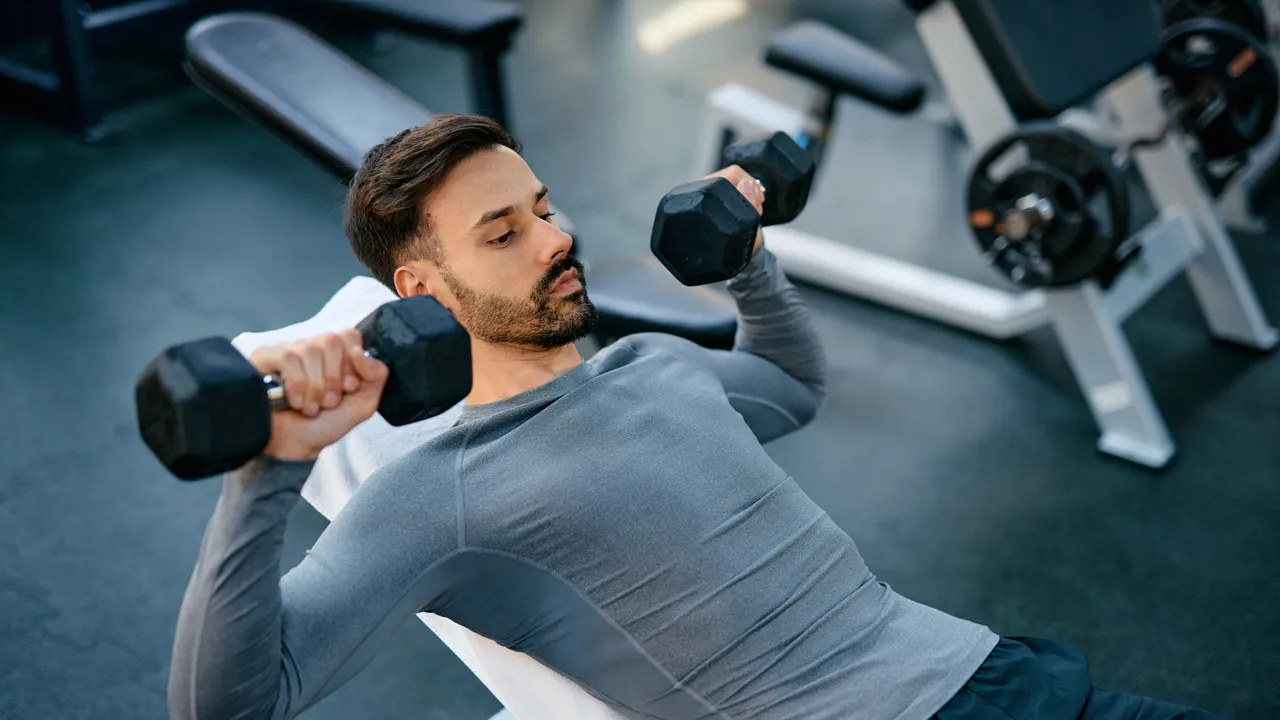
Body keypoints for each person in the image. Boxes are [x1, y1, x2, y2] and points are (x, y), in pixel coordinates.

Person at [167, 114, 1218, 720]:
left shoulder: (653, 362)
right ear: (421, 294)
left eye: (542, 206)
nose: (555, 236)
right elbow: (230, 706)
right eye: (504, 232)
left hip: (1002, 668)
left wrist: (748, 263)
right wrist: (271, 471)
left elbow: (790, 387)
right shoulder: (434, 493)